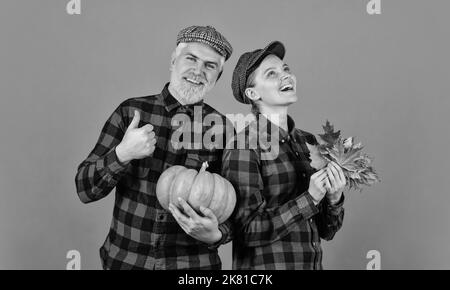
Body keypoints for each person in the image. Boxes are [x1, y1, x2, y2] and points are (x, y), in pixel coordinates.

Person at [75, 25, 234, 270]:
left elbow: (238, 209)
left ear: (217, 78)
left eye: (210, 66)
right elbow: (85, 190)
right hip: (125, 262)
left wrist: (217, 233)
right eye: (191, 58)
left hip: (193, 268)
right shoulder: (131, 112)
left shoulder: (223, 129)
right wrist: (123, 153)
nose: (198, 71)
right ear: (173, 60)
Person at [222, 41, 346, 270]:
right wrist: (310, 198)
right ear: (252, 93)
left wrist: (334, 198)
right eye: (272, 73)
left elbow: (327, 231)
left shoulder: (309, 142)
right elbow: (246, 230)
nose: (286, 76)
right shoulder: (243, 145)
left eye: (286, 69)